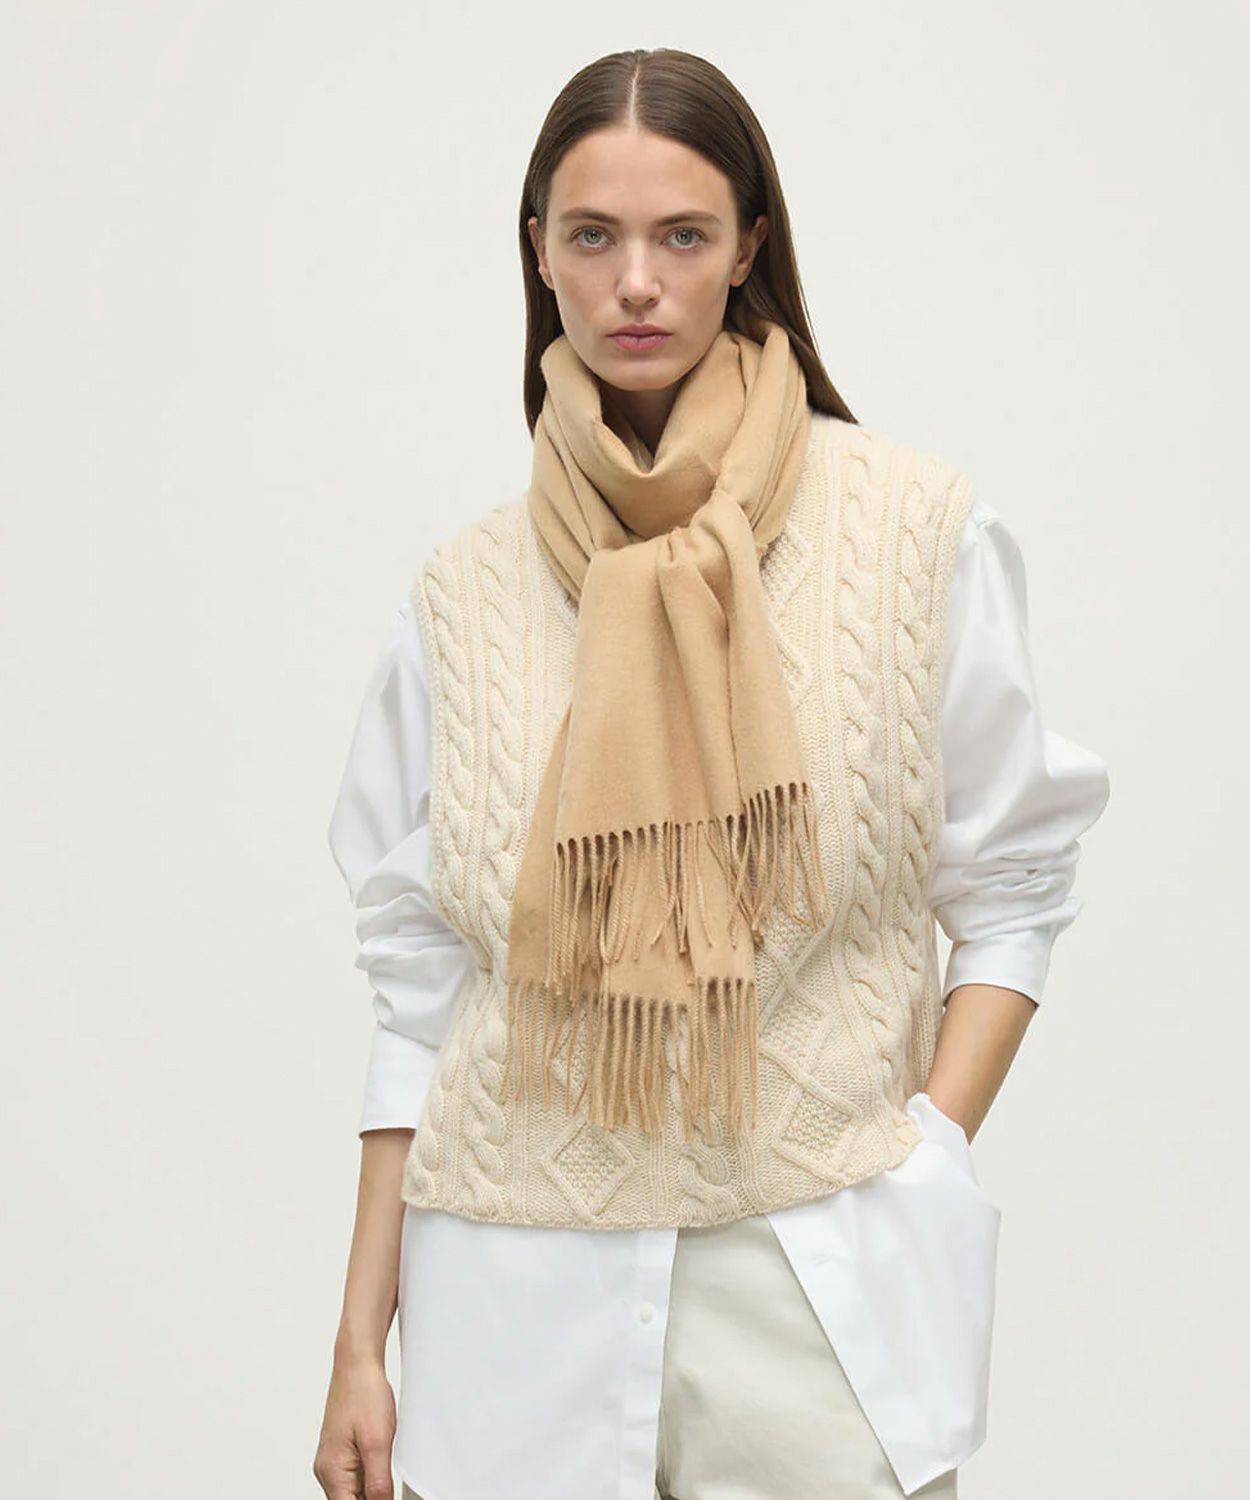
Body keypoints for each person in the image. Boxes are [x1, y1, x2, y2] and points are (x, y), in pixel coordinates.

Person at [313, 46, 1111, 1500]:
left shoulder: (912, 535)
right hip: (512, 1328)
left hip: (824, 1298)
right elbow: (417, 985)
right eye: (592, 235)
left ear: (749, 246)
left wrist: (927, 1148)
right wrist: (359, 1341)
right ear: (537, 250)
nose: (636, 282)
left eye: (681, 235)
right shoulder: (459, 597)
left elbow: (1011, 886)